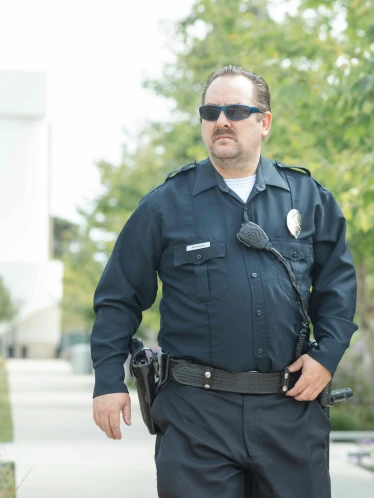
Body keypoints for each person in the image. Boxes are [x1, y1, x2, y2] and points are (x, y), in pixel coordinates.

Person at [90, 65, 357, 498]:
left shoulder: (309, 199)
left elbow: (337, 288)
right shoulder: (164, 206)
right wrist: (107, 382)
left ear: (264, 122)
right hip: (197, 417)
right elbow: (118, 298)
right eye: (210, 111)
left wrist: (326, 356)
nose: (221, 121)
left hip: (291, 411)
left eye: (235, 109)